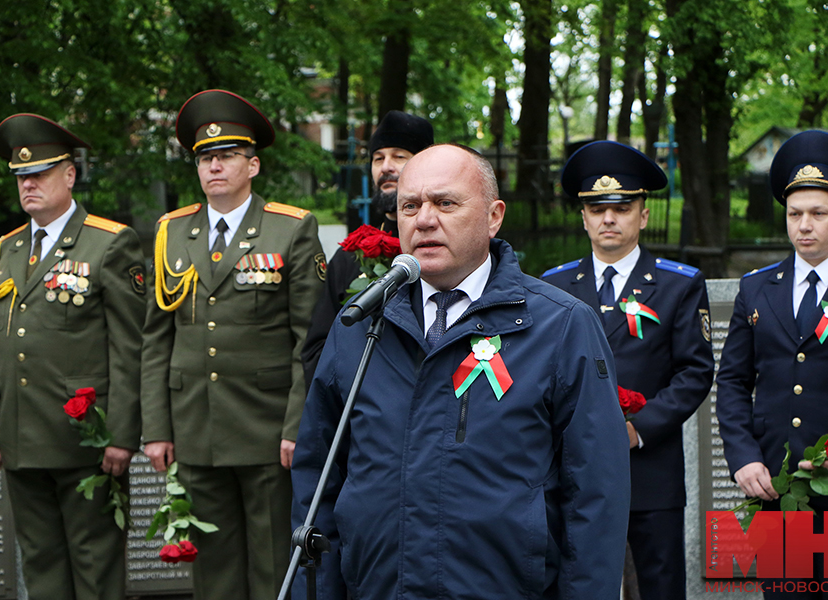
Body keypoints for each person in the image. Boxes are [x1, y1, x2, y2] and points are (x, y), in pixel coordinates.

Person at [291, 144, 630, 599]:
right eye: (409, 206)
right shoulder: (361, 323)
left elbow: (597, 496)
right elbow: (318, 481)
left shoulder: (560, 325)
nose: (424, 220)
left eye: (446, 203)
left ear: (494, 217)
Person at [140, 89, 325, 600]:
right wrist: (156, 428)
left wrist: (296, 427)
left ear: (253, 164)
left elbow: (307, 341)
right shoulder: (170, 232)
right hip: (196, 428)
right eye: (205, 157)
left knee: (272, 569)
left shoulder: (290, 228)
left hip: (266, 430)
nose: (214, 166)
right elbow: (156, 338)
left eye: (226, 156)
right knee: (214, 574)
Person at [0, 113, 145, 600]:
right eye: (21, 176)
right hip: (21, 438)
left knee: (96, 572)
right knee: (43, 570)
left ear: (69, 175)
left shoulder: (109, 243)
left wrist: (121, 434)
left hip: (85, 443)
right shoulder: (4, 252)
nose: (28, 184)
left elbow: (130, 347)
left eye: (40, 173)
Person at [541, 140, 714, 599]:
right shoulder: (553, 287)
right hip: (572, 470)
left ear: (643, 213)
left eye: (621, 206)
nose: (608, 218)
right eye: (596, 208)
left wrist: (638, 428)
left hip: (649, 471)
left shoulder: (679, 284)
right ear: (583, 216)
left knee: (657, 587)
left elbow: (695, 372)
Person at [716, 130, 828, 597]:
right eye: (794, 214)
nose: (804, 225)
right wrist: (743, 457)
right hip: (778, 492)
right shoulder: (758, 288)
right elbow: (734, 381)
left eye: (818, 214)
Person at [301, 110, 433, 387]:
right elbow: (317, 351)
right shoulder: (351, 256)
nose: (386, 167)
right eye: (377, 158)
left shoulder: (443, 251)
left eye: (399, 156)